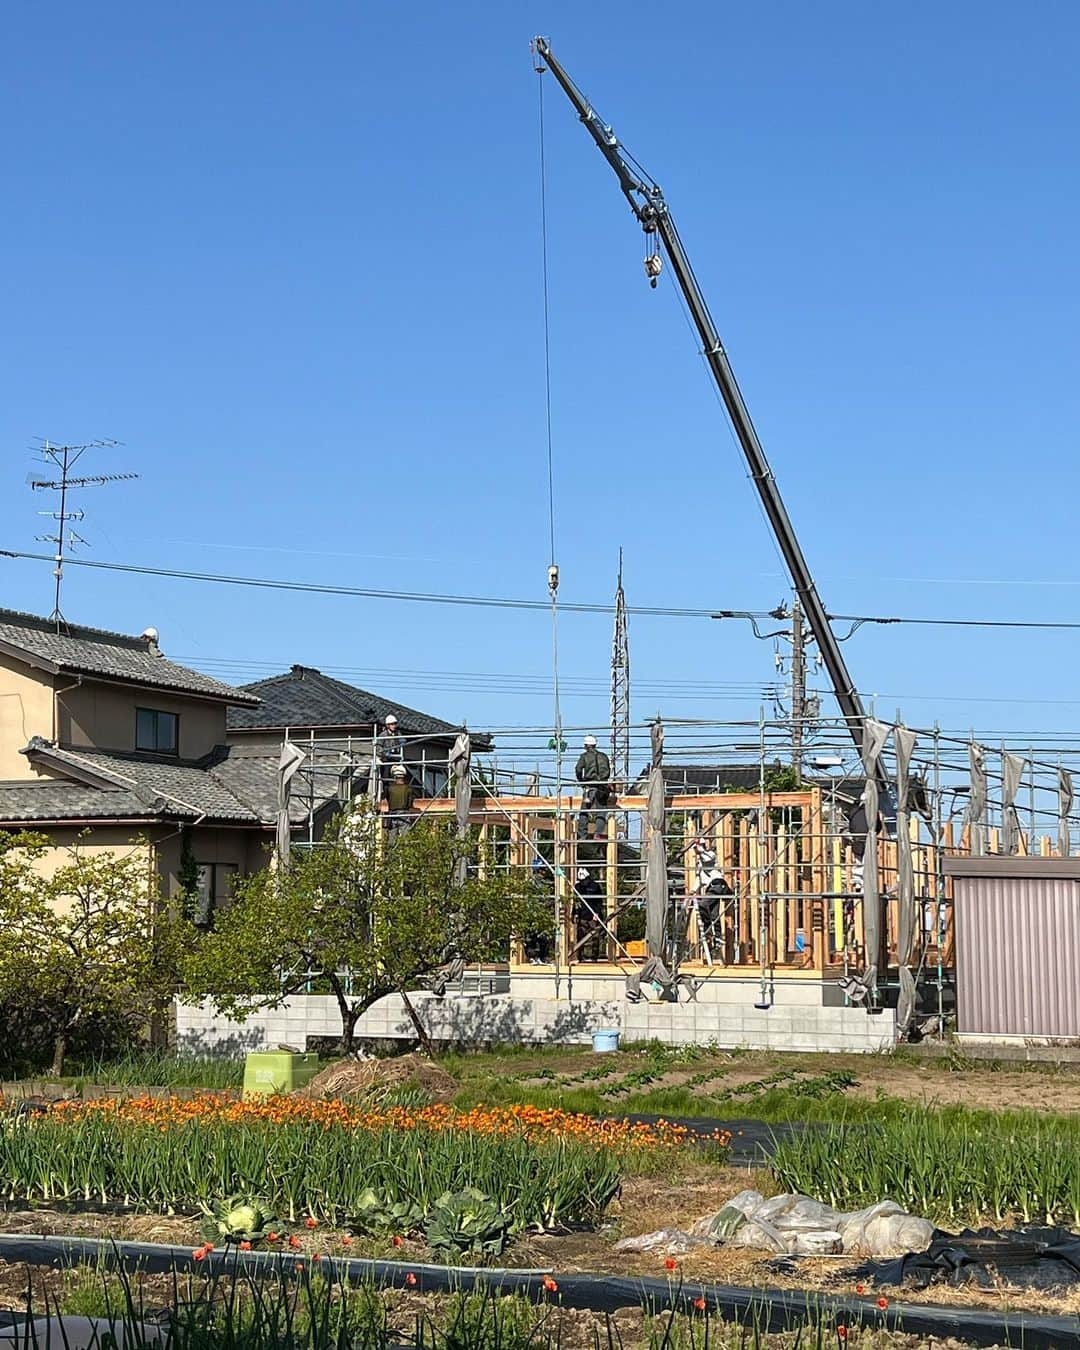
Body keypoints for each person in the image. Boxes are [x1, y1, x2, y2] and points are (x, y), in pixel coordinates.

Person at [575, 735, 612, 839]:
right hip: (603, 787)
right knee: (601, 810)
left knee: (584, 811)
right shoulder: (604, 756)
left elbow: (578, 769)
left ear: (586, 745)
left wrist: (581, 780)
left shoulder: (584, 756)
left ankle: (582, 835)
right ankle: (598, 833)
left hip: (590, 786)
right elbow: (608, 771)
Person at [572, 866, 605, 961]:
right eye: (581, 881)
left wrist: (597, 913)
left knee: (595, 936)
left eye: (584, 880)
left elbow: (599, 901)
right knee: (581, 936)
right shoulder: (578, 887)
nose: (583, 882)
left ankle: (594, 957)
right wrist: (574, 914)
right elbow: (576, 902)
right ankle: (580, 957)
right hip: (582, 915)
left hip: (593, 915)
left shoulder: (595, 886)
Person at [382, 763, 415, 832]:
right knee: (405, 838)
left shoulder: (390, 788)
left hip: (392, 814)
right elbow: (410, 803)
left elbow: (386, 799)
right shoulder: (408, 788)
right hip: (404, 814)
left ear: (394, 777)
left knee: (392, 838)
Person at [376, 714, 405, 788]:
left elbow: (403, 741)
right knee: (386, 777)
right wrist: (384, 753)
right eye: (392, 724)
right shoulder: (383, 735)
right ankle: (386, 792)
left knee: (399, 775)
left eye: (395, 724)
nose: (394, 726)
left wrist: (402, 742)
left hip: (396, 758)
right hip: (386, 759)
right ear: (388, 725)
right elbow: (378, 747)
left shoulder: (398, 734)